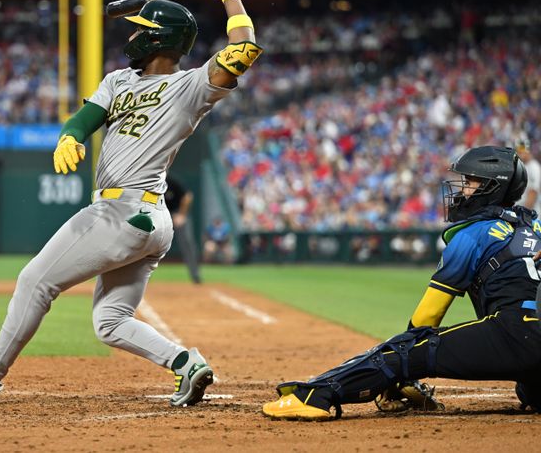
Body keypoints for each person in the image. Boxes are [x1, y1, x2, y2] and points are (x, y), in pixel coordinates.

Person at [0, 0, 262, 406]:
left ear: (160, 40)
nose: (132, 38)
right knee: (110, 320)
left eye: (143, 31)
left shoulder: (189, 87)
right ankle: (187, 364)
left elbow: (243, 51)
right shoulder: (118, 80)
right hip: (146, 220)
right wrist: (70, 137)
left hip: (123, 213)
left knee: (34, 282)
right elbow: (85, 119)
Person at [262, 146, 541, 420]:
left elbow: (427, 317)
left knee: (405, 349)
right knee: (531, 390)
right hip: (531, 340)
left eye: (469, 182)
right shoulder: (534, 226)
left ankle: (316, 396)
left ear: (492, 187)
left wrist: (406, 371)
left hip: (517, 334)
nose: (461, 190)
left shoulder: (473, 234)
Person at [165, 175, 202, 284]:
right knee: (150, 244)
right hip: (161, 214)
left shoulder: (171, 181)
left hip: (177, 214)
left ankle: (195, 275)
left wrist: (182, 214)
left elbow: (188, 196)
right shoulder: (152, 182)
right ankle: (144, 278)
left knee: (187, 244)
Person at [517, 137, 541, 214]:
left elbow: (533, 193)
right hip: (521, 210)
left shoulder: (534, 167)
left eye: (522, 150)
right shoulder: (522, 166)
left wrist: (524, 215)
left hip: (530, 214)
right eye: (519, 151)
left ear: (529, 151)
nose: (520, 153)